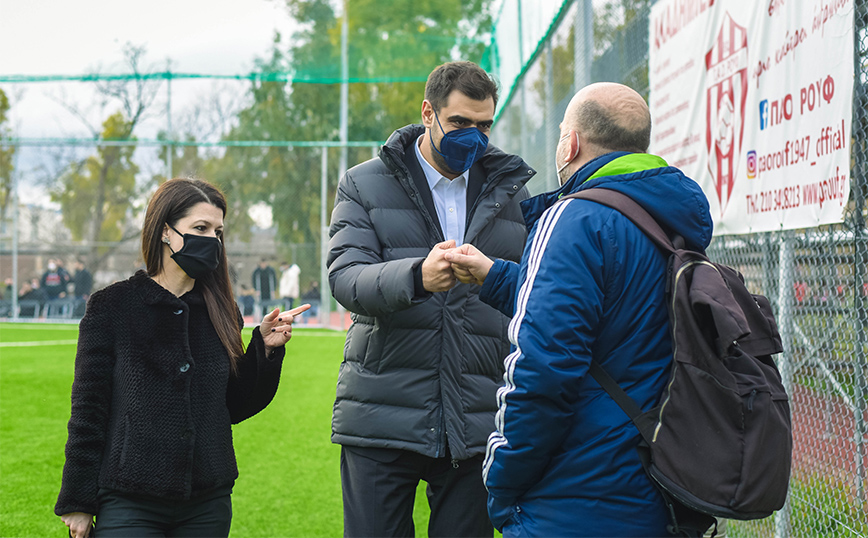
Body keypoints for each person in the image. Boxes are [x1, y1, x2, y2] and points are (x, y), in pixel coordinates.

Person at [445, 82, 714, 537]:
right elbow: (617, 313)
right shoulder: (674, 216)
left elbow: (544, 368)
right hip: (662, 482)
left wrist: (501, 479)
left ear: (570, 142)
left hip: (577, 496)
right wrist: (497, 276)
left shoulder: (574, 218)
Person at [327, 60, 534, 537]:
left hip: (476, 416)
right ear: (428, 113)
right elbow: (346, 279)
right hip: (381, 416)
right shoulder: (363, 183)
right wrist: (416, 276)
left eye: (484, 125)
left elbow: (535, 287)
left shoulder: (513, 192)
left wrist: (495, 276)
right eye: (460, 122)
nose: (474, 136)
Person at [56, 178, 310, 538]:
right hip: (129, 498)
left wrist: (264, 350)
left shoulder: (223, 311)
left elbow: (233, 406)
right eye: (200, 228)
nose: (212, 240)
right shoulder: (111, 307)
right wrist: (77, 500)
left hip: (207, 502)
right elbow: (88, 410)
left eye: (218, 232)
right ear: (165, 232)